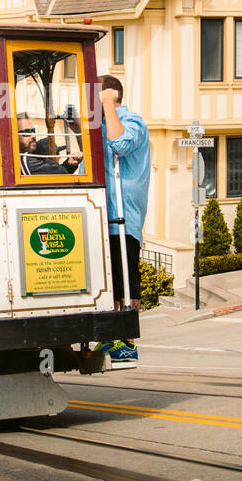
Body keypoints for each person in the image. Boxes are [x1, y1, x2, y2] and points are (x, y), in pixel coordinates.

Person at [98, 74, 149, 368]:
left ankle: (127, 340)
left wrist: (108, 106)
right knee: (112, 281)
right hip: (105, 215)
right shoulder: (102, 125)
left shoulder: (132, 122)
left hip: (124, 217)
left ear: (110, 96)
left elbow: (121, 145)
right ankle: (113, 331)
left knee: (126, 277)